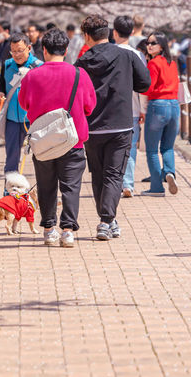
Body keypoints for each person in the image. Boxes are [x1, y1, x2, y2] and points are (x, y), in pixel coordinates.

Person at [18, 28, 96, 247]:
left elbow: (24, 104)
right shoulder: (79, 74)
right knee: (71, 186)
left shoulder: (32, 75)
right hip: (73, 138)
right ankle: (68, 230)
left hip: (43, 141)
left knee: (46, 184)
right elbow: (90, 105)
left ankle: (49, 229)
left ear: (43, 49)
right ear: (66, 49)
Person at [76, 14, 150, 240]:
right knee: (114, 174)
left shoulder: (83, 61)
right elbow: (144, 83)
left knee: (98, 174)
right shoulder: (126, 55)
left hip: (92, 126)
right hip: (120, 124)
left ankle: (109, 219)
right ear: (108, 33)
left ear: (87, 36)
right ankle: (106, 220)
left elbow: (76, 89)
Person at [141, 33, 180, 196]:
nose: (149, 46)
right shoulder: (172, 63)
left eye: (153, 43)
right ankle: (169, 172)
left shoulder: (154, 63)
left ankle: (156, 187)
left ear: (162, 45)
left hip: (158, 105)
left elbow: (149, 88)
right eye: (147, 43)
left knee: (151, 149)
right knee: (168, 147)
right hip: (174, 105)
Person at [112, 15, 146, 198]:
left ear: (114, 32)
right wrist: (143, 108)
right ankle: (128, 184)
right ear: (132, 32)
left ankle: (114, 183)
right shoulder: (138, 55)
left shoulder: (108, 53)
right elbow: (143, 85)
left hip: (112, 110)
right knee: (130, 148)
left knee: (113, 149)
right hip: (132, 108)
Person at [0, 32, 42, 173]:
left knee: (40, 156)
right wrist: (0, 93)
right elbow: (1, 85)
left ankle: (41, 191)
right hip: (12, 119)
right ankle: (9, 191)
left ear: (29, 48)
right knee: (11, 158)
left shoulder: (39, 66)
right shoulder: (7, 65)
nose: (16, 54)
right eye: (13, 51)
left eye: (20, 50)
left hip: (33, 119)